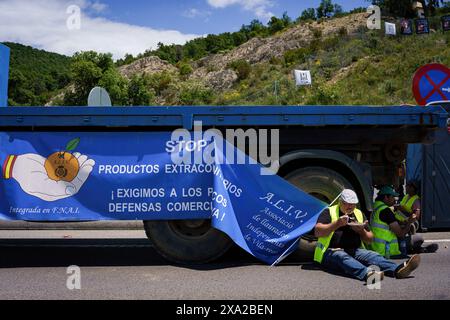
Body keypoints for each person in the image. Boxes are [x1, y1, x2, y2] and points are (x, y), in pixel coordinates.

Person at [314, 189, 421, 283]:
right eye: (347, 203)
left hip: (354, 250)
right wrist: (336, 224)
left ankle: (398, 269)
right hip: (330, 251)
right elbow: (318, 231)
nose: (350, 206)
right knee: (341, 257)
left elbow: (370, 239)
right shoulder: (329, 211)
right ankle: (368, 274)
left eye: (353, 204)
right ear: (340, 202)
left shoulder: (358, 213)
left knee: (373, 256)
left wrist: (362, 231)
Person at [395, 181, 438, 254]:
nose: (406, 187)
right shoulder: (406, 196)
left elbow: (416, 216)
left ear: (413, 188)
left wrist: (404, 212)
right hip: (398, 221)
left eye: (408, 186)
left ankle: (414, 246)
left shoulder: (416, 200)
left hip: (408, 222)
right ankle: (418, 248)